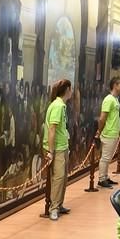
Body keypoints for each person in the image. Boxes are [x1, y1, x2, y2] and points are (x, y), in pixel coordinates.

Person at [43, 78, 72, 221]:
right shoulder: (58, 106)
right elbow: (52, 129)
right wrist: (51, 151)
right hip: (57, 148)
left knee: (63, 177)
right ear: (67, 90)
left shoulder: (62, 105)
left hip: (63, 146)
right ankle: (53, 208)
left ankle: (59, 204)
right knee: (58, 178)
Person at [96, 76, 120, 188]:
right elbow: (102, 118)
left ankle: (105, 176)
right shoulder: (109, 99)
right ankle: (101, 179)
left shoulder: (115, 99)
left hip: (114, 132)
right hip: (108, 132)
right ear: (115, 85)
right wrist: (99, 132)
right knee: (105, 157)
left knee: (108, 157)